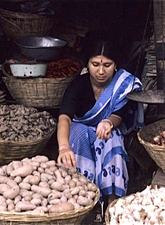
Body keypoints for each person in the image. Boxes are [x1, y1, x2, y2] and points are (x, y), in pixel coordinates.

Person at [56, 36, 145, 216]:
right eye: (95, 64)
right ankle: (82, 195)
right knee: (78, 131)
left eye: (107, 65)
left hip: (105, 130)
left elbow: (118, 115)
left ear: (116, 65)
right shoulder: (78, 85)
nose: (101, 71)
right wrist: (64, 147)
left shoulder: (122, 85)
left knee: (112, 137)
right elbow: (65, 117)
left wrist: (108, 122)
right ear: (87, 64)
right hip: (82, 128)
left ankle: (112, 202)